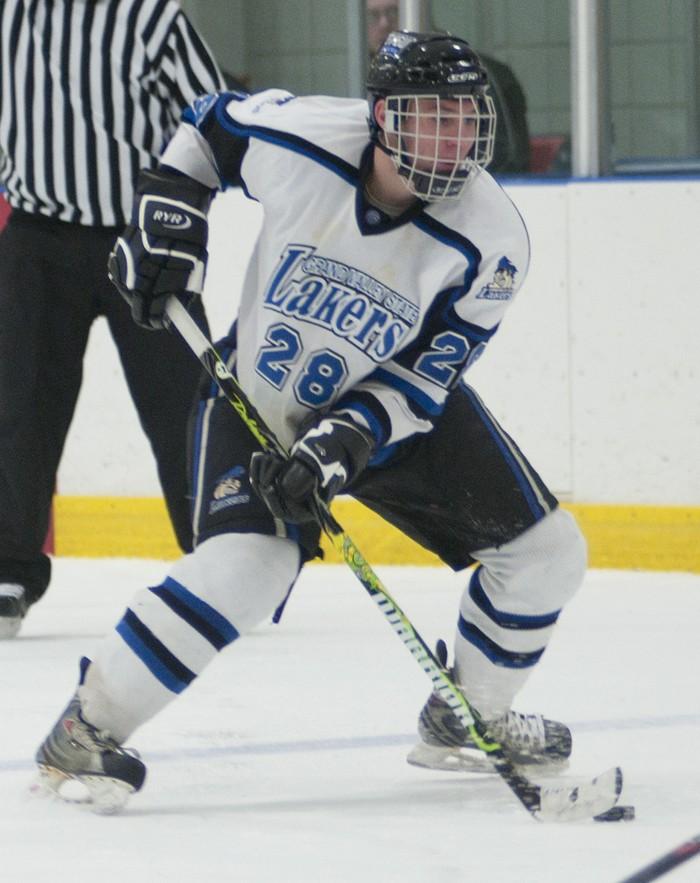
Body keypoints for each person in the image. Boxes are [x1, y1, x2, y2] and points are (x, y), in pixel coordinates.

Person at [34, 31, 585, 812]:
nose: (454, 138)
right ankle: (86, 729)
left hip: (390, 410)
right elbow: (204, 127)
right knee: (249, 570)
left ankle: (469, 716)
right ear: (384, 117)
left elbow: (425, 378)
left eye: (466, 120)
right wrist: (170, 217)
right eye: (433, 117)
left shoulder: (492, 240)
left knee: (548, 552)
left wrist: (348, 439)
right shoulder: (305, 137)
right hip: (263, 395)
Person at [0, 0, 226, 638]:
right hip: (36, 238)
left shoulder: (148, 16)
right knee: (19, 406)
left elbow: (213, 113)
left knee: (187, 404)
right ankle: (9, 568)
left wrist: (176, 205)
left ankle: (221, 551)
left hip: (140, 238)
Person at [366, 1, 530, 172]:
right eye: (373, 16)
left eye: (394, 12)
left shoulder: (481, 76)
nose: (384, 23)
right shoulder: (365, 79)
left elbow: (510, 159)